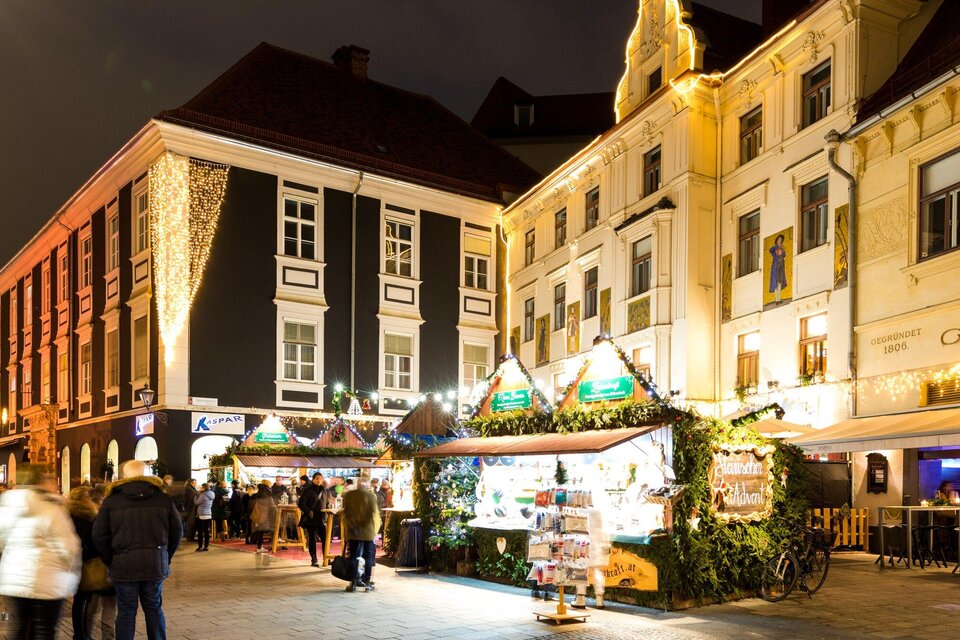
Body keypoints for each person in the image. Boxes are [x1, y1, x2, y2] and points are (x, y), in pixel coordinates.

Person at [91, 460, 182, 640]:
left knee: (126, 610)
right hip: (155, 562)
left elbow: (98, 535)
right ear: (146, 473)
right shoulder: (162, 498)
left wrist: (111, 559)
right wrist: (164, 555)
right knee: (154, 607)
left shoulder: (112, 501)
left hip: (123, 563)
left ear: (124, 476)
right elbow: (177, 531)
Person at [0, 464, 81, 639]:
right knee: (44, 630)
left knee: (19, 628)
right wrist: (71, 575)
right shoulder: (51, 508)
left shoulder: (7, 505)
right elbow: (67, 547)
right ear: (40, 481)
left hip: (14, 579)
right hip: (47, 580)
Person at [67, 486, 116, 640]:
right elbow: (95, 539)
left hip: (72, 562)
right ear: (86, 498)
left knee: (80, 600)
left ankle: (80, 634)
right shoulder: (90, 515)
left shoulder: (65, 513)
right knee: (87, 601)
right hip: (89, 562)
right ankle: (85, 635)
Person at [341, 481, 381, 592]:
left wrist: (353, 526)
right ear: (367, 486)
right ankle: (367, 583)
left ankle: (353, 583)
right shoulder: (371, 496)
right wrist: (366, 526)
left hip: (353, 531)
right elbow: (373, 513)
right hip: (368, 531)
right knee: (368, 556)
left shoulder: (349, 495)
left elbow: (346, 512)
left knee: (353, 556)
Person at [298, 473, 328, 567]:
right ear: (313, 479)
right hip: (312, 518)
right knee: (312, 539)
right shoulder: (308, 490)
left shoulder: (324, 490)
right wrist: (308, 511)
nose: (319, 480)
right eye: (317, 478)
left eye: (320, 478)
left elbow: (326, 503)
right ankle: (314, 559)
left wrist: (328, 509)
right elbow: (301, 503)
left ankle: (326, 558)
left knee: (325, 539)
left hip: (322, 518)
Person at [251, 481, 277, 554]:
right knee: (263, 530)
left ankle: (260, 546)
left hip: (261, 513)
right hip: (265, 514)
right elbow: (269, 503)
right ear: (267, 484)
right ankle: (260, 547)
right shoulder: (266, 492)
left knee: (261, 530)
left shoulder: (261, 491)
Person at [194, 483, 214, 551]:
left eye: (201, 487)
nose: (200, 487)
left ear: (204, 488)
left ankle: (200, 546)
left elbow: (196, 503)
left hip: (202, 515)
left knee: (200, 531)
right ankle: (206, 546)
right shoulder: (212, 494)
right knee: (206, 531)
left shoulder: (203, 495)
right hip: (208, 514)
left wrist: (196, 497)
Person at [769, 233, 787, 304]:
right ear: (776, 240)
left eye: (781, 240)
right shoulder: (774, 248)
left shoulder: (782, 249)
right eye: (779, 239)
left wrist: (782, 250)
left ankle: (779, 299)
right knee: (776, 283)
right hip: (775, 267)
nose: (780, 241)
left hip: (781, 267)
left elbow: (784, 255)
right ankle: (777, 300)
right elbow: (770, 250)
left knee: (779, 283)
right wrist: (777, 246)